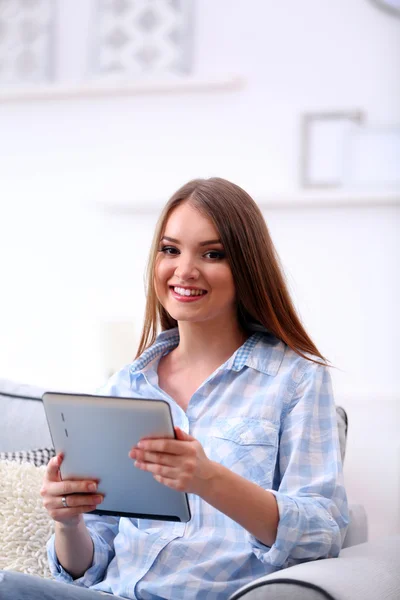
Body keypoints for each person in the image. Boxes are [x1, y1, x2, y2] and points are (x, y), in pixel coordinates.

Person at [0, 177, 349, 600]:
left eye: (213, 253)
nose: (184, 270)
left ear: (247, 267)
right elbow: (86, 566)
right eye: (170, 250)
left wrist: (210, 480)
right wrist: (68, 522)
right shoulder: (124, 388)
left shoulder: (295, 379)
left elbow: (320, 534)